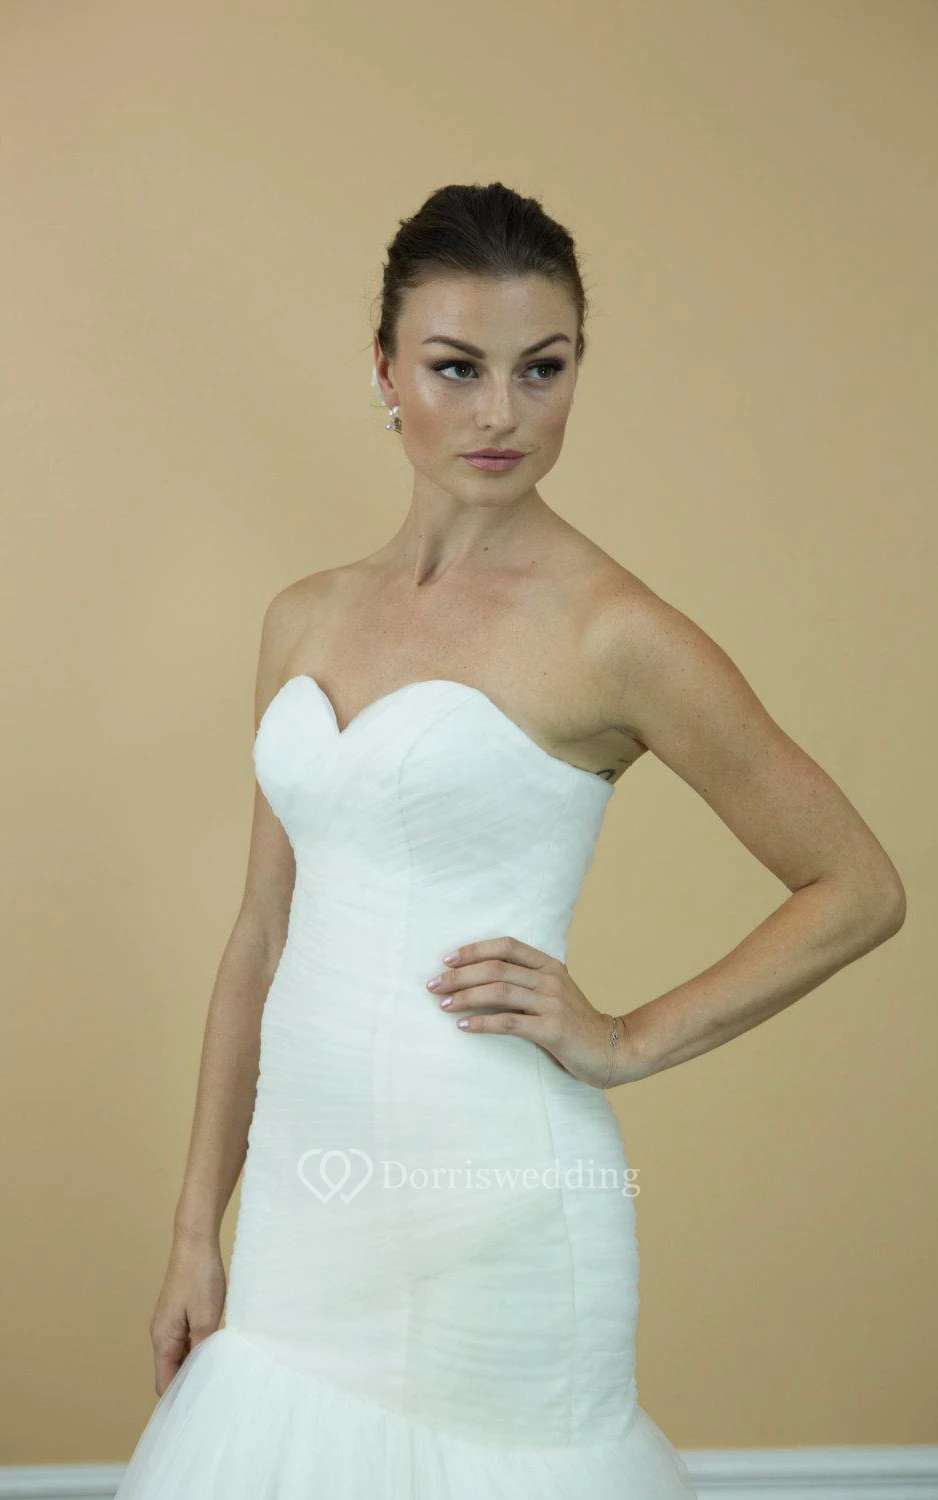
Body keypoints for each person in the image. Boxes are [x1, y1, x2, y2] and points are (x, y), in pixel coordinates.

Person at [114, 181, 905, 1498]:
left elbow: (858, 886)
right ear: (384, 372)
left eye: (543, 369)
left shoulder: (615, 633)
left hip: (496, 1197)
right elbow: (260, 935)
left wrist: (626, 1039)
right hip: (307, 1217)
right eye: (456, 368)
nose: (501, 413)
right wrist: (198, 1229)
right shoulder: (303, 617)